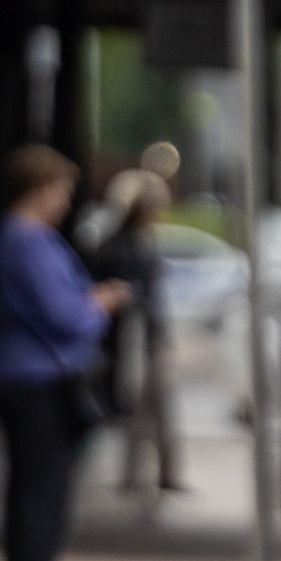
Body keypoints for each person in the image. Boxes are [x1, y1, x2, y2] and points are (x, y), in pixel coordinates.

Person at [0, 146, 128, 561]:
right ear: (42, 189)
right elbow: (63, 314)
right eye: (62, 191)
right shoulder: (26, 241)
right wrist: (102, 304)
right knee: (39, 494)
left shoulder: (23, 240)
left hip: (29, 374)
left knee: (37, 493)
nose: (66, 202)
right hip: (37, 379)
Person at [84, 167, 185, 494]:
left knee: (153, 405)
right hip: (137, 335)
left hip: (146, 333)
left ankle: (149, 474)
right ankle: (144, 474)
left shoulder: (133, 241)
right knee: (146, 404)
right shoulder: (120, 245)